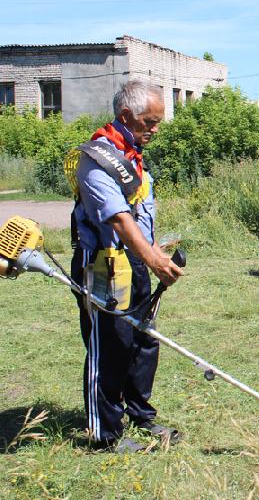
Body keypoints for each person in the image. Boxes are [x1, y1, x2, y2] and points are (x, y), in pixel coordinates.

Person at [69, 81, 183, 453]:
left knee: (143, 340)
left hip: (134, 261)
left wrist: (153, 253)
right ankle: (105, 434)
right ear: (125, 116)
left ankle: (141, 415)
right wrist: (154, 260)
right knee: (111, 344)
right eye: (149, 122)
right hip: (103, 263)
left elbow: (140, 216)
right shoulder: (97, 158)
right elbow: (118, 219)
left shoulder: (133, 155)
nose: (155, 129)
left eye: (158, 122)